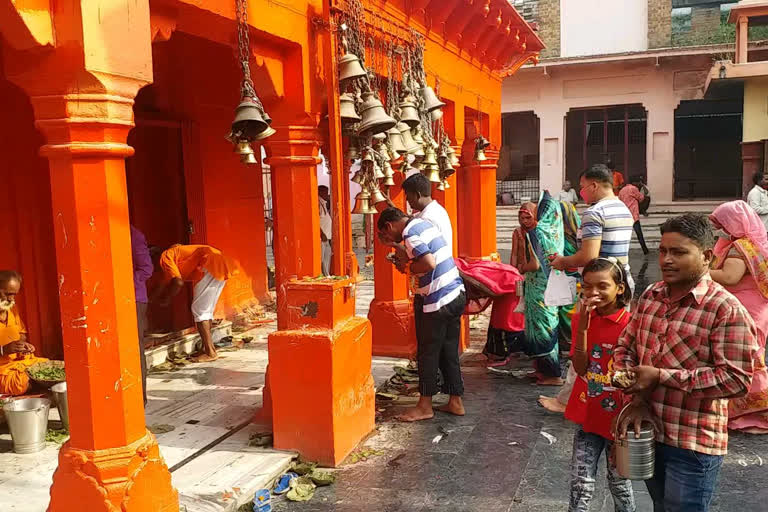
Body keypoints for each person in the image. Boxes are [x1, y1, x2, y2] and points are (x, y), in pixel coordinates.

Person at [615, 214, 758, 512]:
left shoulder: (726, 310)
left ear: (707, 257)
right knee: (660, 505)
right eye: (663, 251)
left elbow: (735, 380)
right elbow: (626, 346)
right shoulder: (653, 295)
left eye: (679, 252)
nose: (666, 260)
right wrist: (636, 394)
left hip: (692, 443)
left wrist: (661, 376)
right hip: (649, 428)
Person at [542, 164, 635, 411]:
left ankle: (568, 400)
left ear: (594, 185)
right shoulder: (623, 208)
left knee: (585, 340)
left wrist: (562, 262)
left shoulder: (595, 212)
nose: (581, 193)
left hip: (599, 287)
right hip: (621, 282)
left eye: (582, 188)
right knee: (612, 341)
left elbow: (588, 256)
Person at [377, 207, 466, 422]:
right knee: (448, 350)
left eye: (387, 234)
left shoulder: (409, 233)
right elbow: (420, 255)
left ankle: (425, 405)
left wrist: (407, 268)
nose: (390, 239)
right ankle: (456, 400)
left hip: (438, 299)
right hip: (455, 293)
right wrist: (397, 249)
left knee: (428, 352)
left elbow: (427, 263)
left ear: (389, 225)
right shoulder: (421, 224)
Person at [565, 258, 635, 512]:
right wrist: (582, 328)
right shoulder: (581, 318)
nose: (593, 293)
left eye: (602, 286)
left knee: (619, 481)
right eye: (587, 286)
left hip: (619, 417)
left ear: (620, 288)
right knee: (580, 482)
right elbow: (581, 367)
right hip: (588, 412)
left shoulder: (631, 325)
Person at [709, 201, 768, 433]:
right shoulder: (753, 243)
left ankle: (754, 412)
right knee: (749, 355)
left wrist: (698, 269)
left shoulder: (740, 247)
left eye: (722, 224)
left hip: (747, 308)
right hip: (755, 305)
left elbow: (730, 276)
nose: (720, 229)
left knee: (745, 356)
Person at [513, 195, 564, 386]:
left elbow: (534, 264)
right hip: (545, 286)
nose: (525, 221)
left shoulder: (536, 234)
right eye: (522, 217)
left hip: (539, 288)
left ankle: (553, 375)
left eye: (529, 217)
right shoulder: (552, 233)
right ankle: (541, 370)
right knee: (541, 326)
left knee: (543, 329)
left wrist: (521, 268)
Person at [154, 244, 235, 362]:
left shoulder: (165, 256)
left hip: (211, 264)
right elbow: (163, 283)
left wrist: (167, 299)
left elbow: (178, 282)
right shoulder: (175, 254)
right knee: (206, 310)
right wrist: (154, 298)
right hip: (219, 263)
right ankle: (206, 347)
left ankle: (210, 353)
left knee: (199, 310)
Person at [0, 271, 48, 395]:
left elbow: (21, 334)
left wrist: (23, 346)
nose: (11, 299)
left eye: (14, 295)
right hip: (3, 370)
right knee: (20, 383)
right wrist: (3, 350)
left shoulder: (12, 308)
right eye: (7, 294)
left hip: (19, 364)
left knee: (48, 366)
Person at [401, 173, 453, 253]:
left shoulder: (427, 218)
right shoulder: (436, 209)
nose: (407, 199)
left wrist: (395, 245)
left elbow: (423, 253)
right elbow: (407, 218)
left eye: (408, 195)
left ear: (417, 195)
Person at [131, 226, 153, 405]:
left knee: (134, 348)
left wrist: (124, 281)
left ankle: (140, 397)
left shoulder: (134, 235)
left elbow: (146, 269)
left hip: (134, 299)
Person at [618, 176, 649, 255]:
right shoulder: (633, 189)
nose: (639, 183)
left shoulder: (622, 190)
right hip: (633, 215)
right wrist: (643, 186)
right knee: (639, 234)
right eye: (638, 182)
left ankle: (621, 251)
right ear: (634, 182)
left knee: (623, 236)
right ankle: (645, 250)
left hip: (624, 215)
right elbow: (641, 198)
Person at [318, 185, 332, 276]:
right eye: (325, 192)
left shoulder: (323, 202)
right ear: (320, 193)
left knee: (327, 257)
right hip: (322, 237)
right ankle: (323, 275)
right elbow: (315, 221)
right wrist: (321, 233)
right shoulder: (318, 203)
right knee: (322, 259)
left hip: (326, 237)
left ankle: (327, 275)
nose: (327, 194)